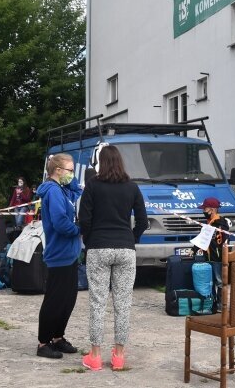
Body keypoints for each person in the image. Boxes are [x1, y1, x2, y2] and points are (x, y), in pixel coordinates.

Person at [78, 145, 148, 371]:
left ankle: (95, 356)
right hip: (125, 248)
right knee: (123, 303)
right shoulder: (132, 187)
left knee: (98, 303)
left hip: (99, 246)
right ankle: (118, 356)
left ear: (100, 163)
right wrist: (131, 238)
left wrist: (90, 242)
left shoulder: (92, 186)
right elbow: (143, 221)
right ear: (120, 162)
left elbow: (84, 220)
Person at [36, 153, 83, 360]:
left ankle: (58, 336)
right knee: (55, 300)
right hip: (59, 253)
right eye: (70, 170)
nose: (73, 174)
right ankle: (43, 342)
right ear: (57, 171)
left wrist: (72, 183)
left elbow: (76, 193)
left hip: (71, 253)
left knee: (68, 299)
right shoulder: (53, 192)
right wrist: (79, 230)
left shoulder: (63, 190)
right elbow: (60, 222)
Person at [192, 197, 230, 263]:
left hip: (218, 261)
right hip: (209, 259)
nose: (203, 211)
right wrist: (193, 250)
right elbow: (202, 238)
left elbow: (224, 243)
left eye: (205, 209)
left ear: (212, 210)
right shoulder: (209, 223)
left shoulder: (221, 225)